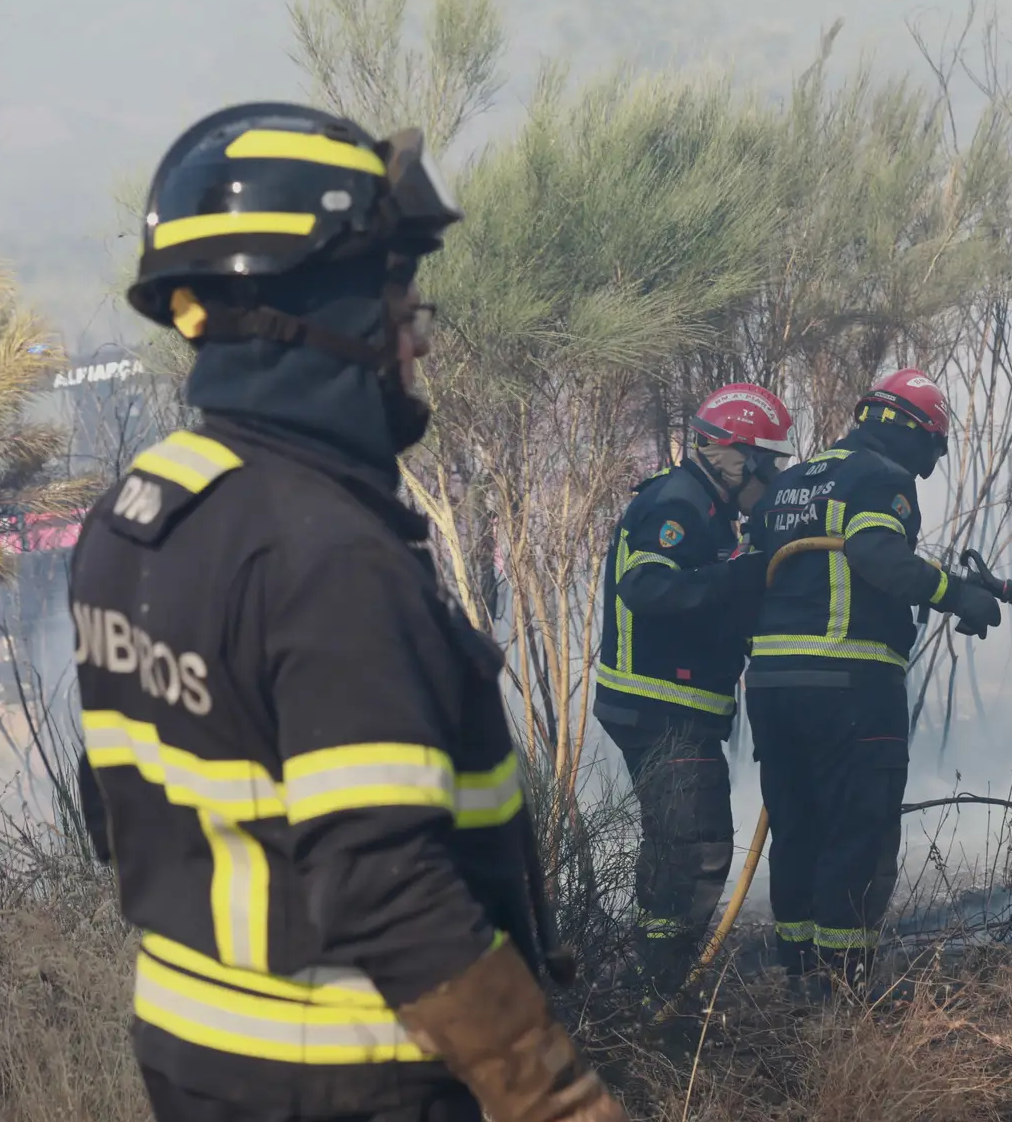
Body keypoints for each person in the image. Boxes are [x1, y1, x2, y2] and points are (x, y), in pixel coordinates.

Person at [71, 102, 623, 1122]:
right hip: (355, 1078)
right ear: (314, 308)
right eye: (393, 288)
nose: (414, 328)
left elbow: (116, 800)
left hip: (194, 1055)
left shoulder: (142, 510)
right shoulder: (329, 555)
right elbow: (381, 879)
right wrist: (551, 1094)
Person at [743, 369, 1005, 988]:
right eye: (932, 450)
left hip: (774, 689)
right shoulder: (881, 478)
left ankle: (800, 978)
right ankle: (841, 988)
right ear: (914, 433)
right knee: (857, 831)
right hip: (850, 686)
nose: (926, 469)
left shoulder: (789, 485)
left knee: (797, 828)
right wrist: (955, 596)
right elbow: (876, 555)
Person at [592, 382, 795, 1005]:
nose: (768, 475)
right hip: (663, 709)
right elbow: (647, 586)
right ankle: (657, 993)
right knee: (697, 852)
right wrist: (738, 575)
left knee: (673, 847)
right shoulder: (679, 504)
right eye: (763, 461)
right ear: (729, 452)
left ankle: (651, 986)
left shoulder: (706, 508)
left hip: (672, 709)